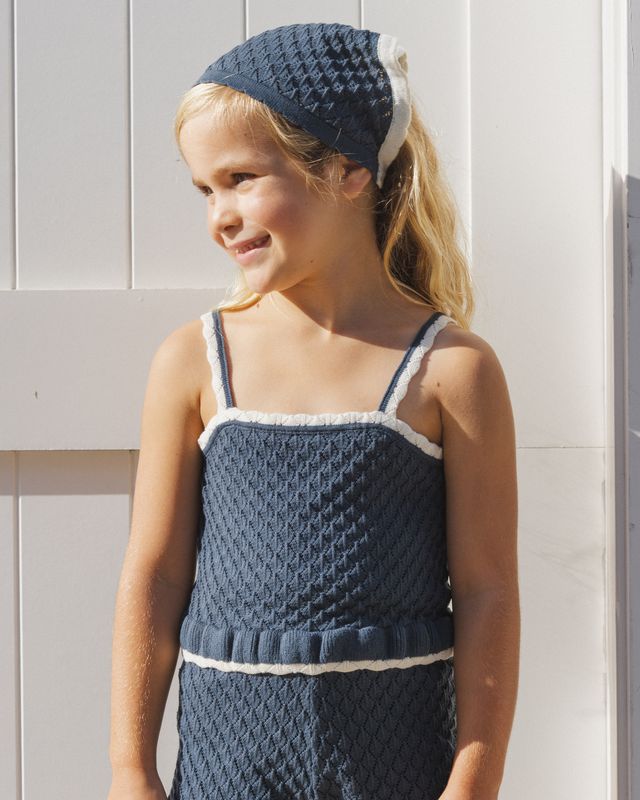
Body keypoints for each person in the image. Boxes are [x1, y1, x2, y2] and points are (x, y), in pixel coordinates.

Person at [107, 21, 519, 800]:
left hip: (395, 756)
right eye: (205, 189)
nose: (219, 215)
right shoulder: (195, 362)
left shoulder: (451, 371)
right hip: (229, 760)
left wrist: (475, 779)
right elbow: (155, 574)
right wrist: (130, 767)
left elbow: (490, 588)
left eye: (241, 178)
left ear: (347, 169)